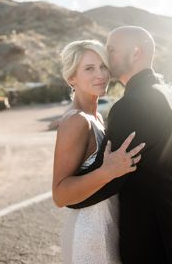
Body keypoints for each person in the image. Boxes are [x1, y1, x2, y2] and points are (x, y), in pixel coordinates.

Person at [69, 27, 172, 264]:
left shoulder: (131, 106)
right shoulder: (170, 96)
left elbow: (110, 178)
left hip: (150, 238)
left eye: (112, 50)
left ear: (136, 52)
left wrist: (70, 194)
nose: (107, 58)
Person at [52, 39, 145, 264]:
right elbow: (60, 194)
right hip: (90, 235)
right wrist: (108, 171)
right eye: (89, 68)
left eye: (103, 66)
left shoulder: (97, 118)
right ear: (71, 77)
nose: (100, 74)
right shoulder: (76, 121)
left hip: (107, 226)